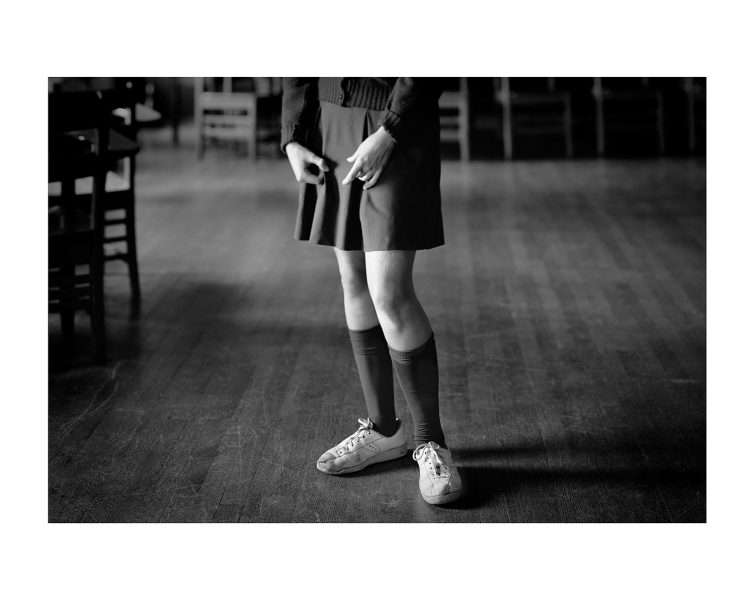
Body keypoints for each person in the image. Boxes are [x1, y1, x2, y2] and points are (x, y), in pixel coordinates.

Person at [281, 78, 462, 505]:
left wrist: (392, 128)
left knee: (389, 291)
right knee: (354, 279)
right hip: (332, 122)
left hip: (394, 121)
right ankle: (384, 430)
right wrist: (293, 135)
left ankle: (431, 442)